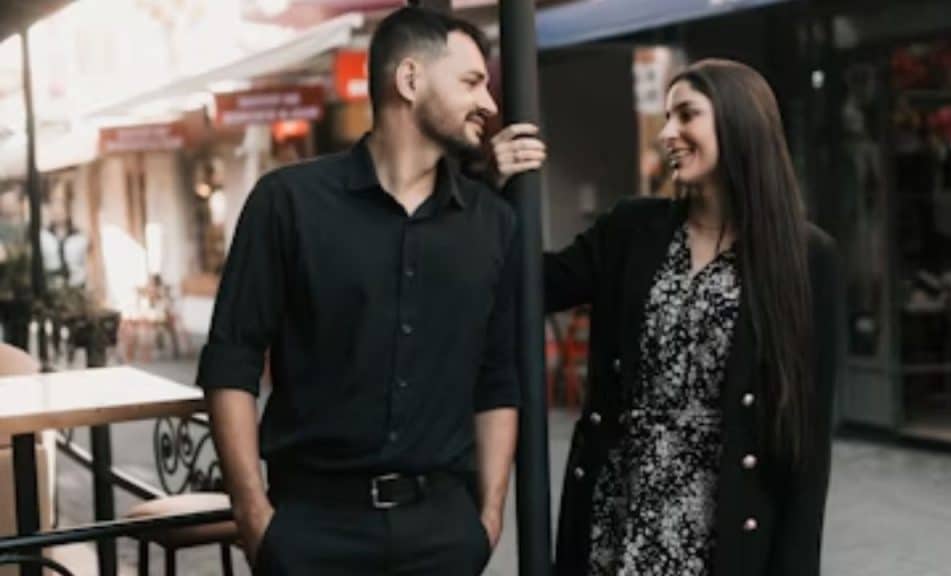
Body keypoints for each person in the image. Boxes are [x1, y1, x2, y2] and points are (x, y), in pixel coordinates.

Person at [197, 7, 542, 575]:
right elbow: (230, 361)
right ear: (409, 80)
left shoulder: (492, 222)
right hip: (312, 531)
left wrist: (488, 518)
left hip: (443, 534)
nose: (489, 104)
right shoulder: (287, 203)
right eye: (471, 82)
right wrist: (254, 515)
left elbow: (496, 377)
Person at [497, 58, 840, 575]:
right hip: (620, 513)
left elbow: (806, 442)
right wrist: (494, 191)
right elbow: (530, 285)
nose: (668, 134)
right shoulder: (631, 230)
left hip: (723, 527)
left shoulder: (805, 256)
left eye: (686, 115)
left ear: (738, 121)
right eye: (667, 117)